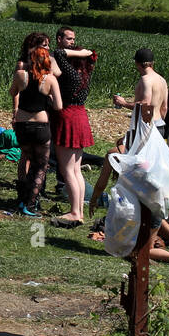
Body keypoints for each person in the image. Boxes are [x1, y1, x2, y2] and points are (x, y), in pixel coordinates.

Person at [49, 27, 98, 226]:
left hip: (67, 117)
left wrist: (82, 52)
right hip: (80, 116)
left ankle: (75, 212)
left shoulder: (71, 74)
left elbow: (59, 53)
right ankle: (78, 211)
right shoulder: (84, 76)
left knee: (68, 170)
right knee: (76, 170)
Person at [10, 45, 63, 217]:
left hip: (22, 124)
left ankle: (22, 198)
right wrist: (48, 97)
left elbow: (12, 92)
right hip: (41, 125)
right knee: (40, 166)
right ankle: (30, 204)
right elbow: (58, 106)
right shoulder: (50, 80)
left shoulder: (21, 75)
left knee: (28, 159)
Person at [113, 48, 168, 147]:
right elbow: (164, 107)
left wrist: (123, 103)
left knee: (140, 159)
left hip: (147, 126)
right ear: (152, 63)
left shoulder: (145, 80)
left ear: (137, 63)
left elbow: (144, 104)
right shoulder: (162, 80)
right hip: (160, 125)